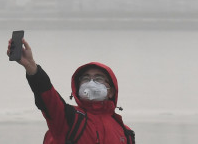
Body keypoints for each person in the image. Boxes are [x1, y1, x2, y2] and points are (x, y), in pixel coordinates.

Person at [7, 35, 135, 144]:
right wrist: (31, 67)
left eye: (98, 78)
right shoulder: (70, 118)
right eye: (86, 78)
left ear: (111, 91)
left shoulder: (126, 133)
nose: (91, 82)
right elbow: (48, 97)